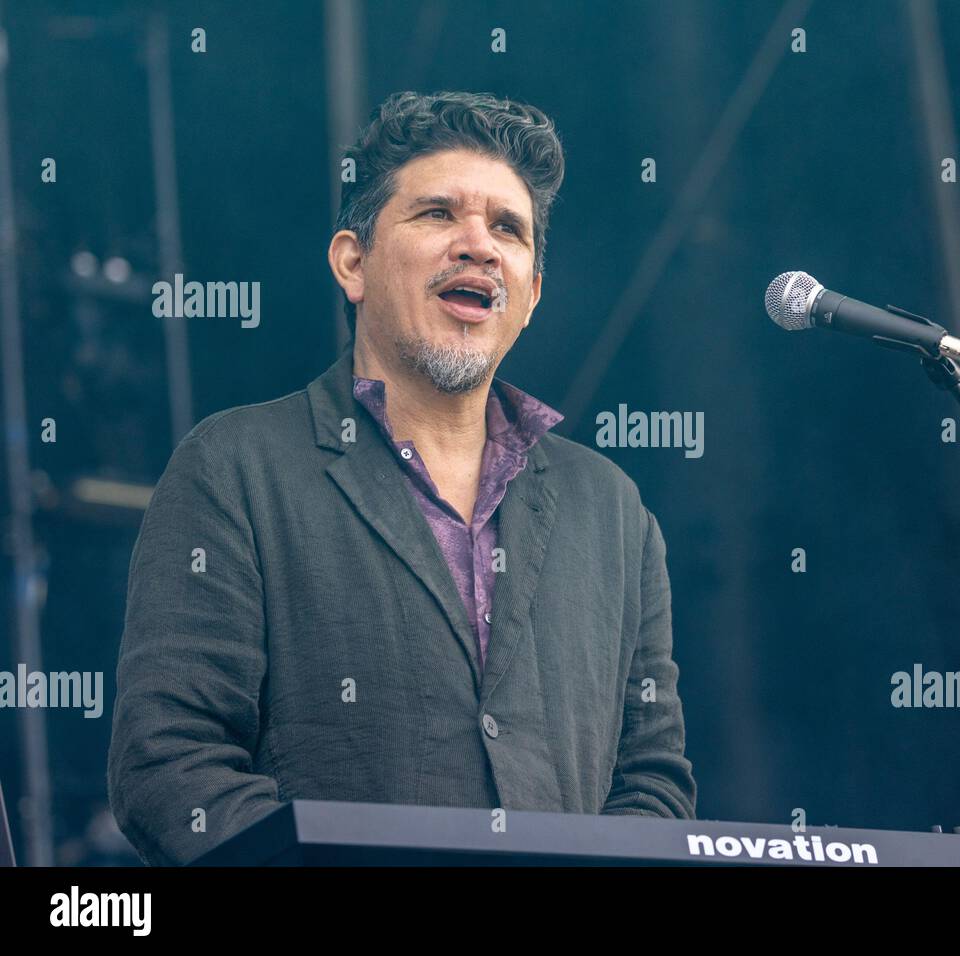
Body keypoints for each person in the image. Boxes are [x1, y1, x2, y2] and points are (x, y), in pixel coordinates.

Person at [107, 90, 696, 866]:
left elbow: (652, 783)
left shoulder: (613, 510)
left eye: (508, 230)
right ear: (353, 263)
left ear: (530, 296)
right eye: (438, 215)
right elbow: (171, 764)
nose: (479, 246)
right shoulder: (235, 466)